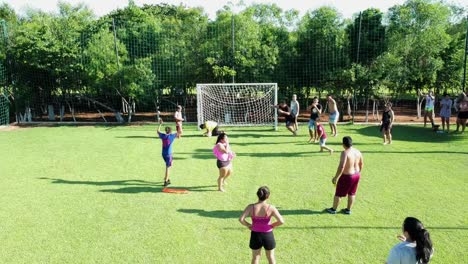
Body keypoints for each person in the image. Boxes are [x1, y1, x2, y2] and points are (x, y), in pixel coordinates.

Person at [239, 186, 285, 264]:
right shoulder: (271, 208)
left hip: (255, 235)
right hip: (268, 235)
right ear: (268, 196)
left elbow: (241, 219)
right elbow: (281, 221)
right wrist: (272, 226)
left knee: (255, 257)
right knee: (271, 257)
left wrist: (249, 225)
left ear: (258, 195)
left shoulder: (250, 207)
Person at [326, 136, 363, 215]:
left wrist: (336, 177)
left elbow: (342, 166)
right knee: (352, 193)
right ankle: (348, 210)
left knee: (338, 193)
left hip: (347, 176)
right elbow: (361, 164)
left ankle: (333, 209)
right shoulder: (357, 151)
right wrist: (359, 173)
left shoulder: (345, 152)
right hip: (356, 175)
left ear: (343, 144)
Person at [157, 118, 180, 187]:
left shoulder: (163, 136)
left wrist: (160, 124)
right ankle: (166, 181)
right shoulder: (171, 136)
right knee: (168, 167)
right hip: (169, 155)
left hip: (163, 154)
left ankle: (167, 178)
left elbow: (158, 131)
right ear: (170, 131)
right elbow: (179, 132)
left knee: (170, 165)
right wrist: (178, 125)